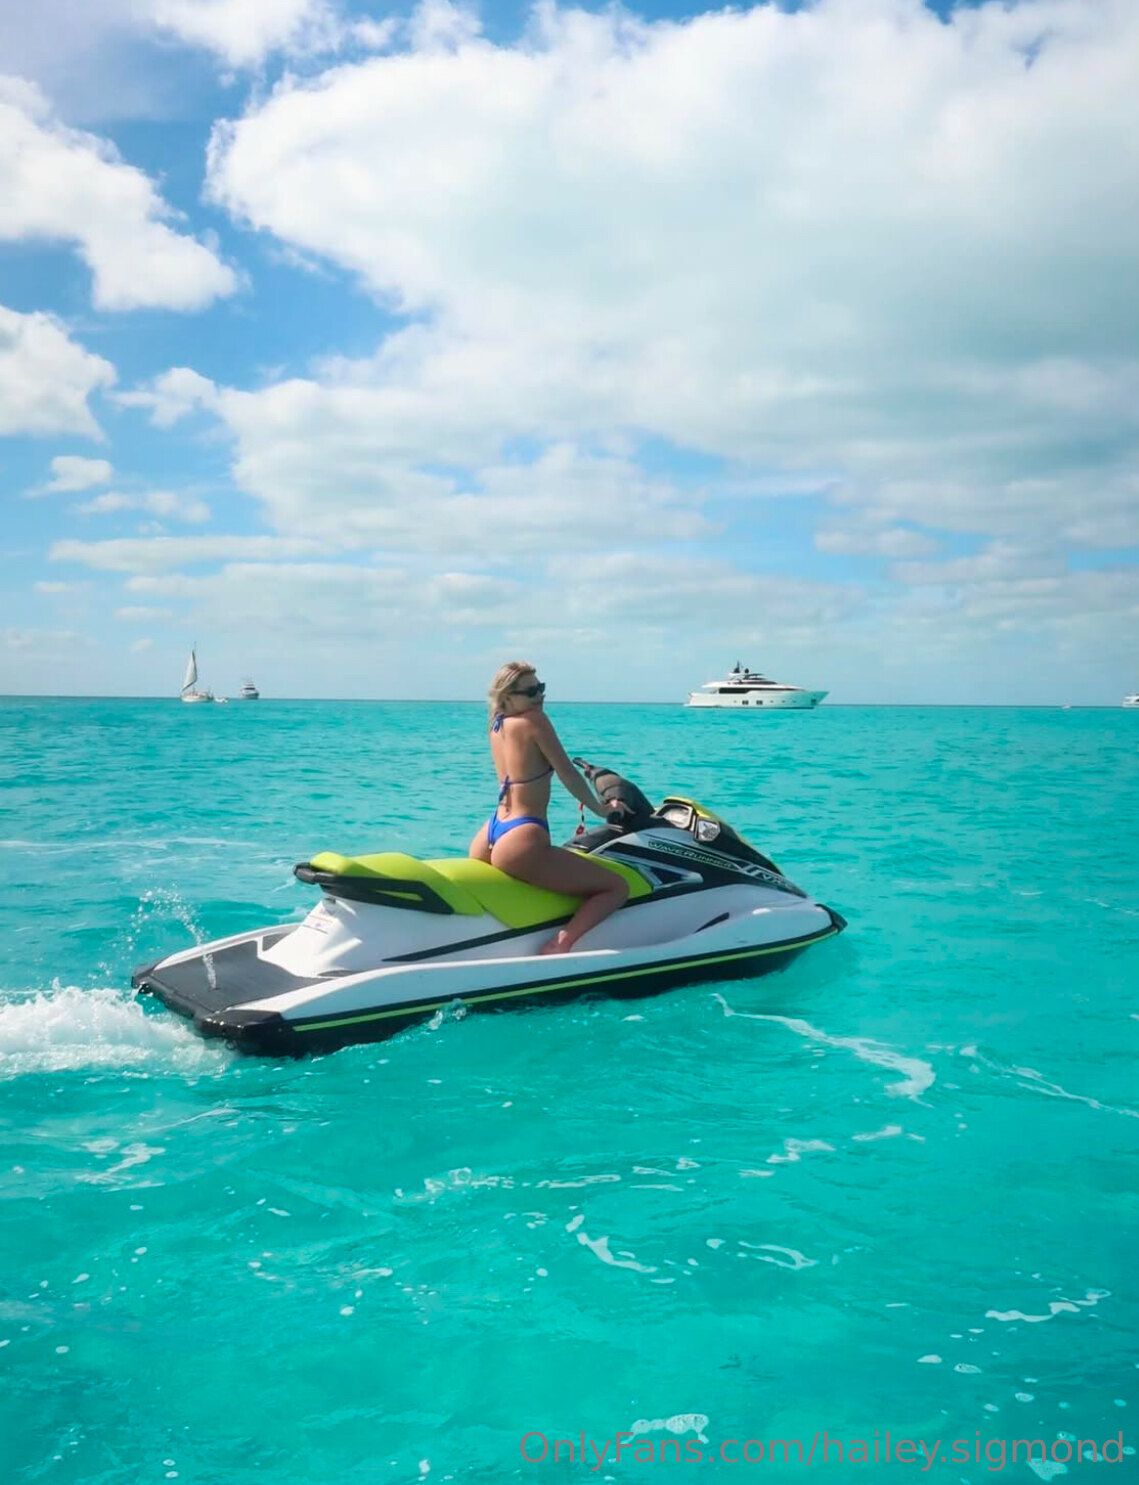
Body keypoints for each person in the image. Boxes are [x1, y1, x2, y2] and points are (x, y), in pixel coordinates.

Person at [469, 661, 629, 954]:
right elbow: (568, 773)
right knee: (616, 887)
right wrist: (602, 810)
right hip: (522, 837)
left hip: (491, 833)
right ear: (507, 696)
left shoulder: (497, 725)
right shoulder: (534, 721)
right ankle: (560, 944)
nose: (540, 696)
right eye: (530, 691)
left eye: (540, 688)